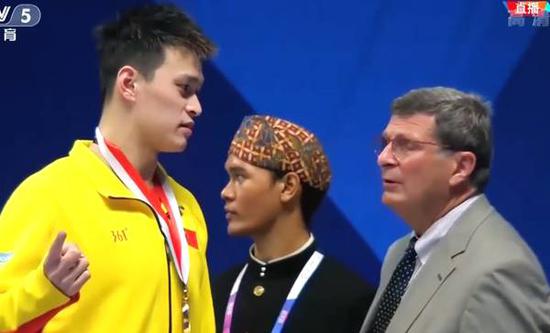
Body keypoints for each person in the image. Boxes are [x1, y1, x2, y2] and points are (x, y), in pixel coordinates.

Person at [0, 4, 216, 332]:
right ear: (129, 84)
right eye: (184, 88)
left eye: (197, 92)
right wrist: (44, 293)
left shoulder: (187, 208)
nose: (197, 107)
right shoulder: (48, 194)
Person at [360, 87, 550, 333]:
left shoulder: (499, 270)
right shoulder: (400, 253)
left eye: (405, 145)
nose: (383, 158)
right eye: (385, 144)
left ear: (461, 167)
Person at [213, 115, 375, 333]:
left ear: (288, 187)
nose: (226, 192)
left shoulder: (348, 300)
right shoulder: (218, 290)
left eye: (240, 177)